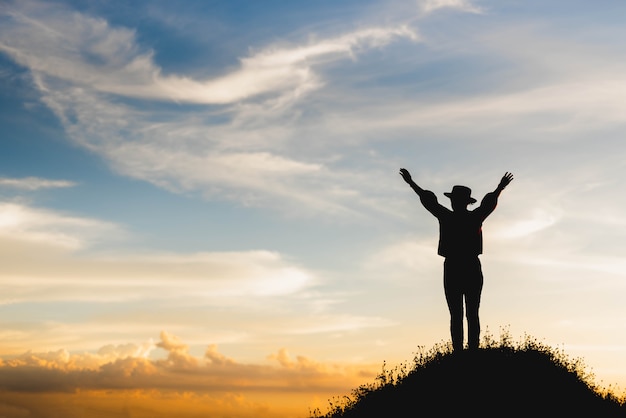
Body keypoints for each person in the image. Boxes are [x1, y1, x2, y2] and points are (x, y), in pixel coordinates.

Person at [399, 168, 513, 351]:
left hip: (453, 267)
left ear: (455, 201)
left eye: (453, 200)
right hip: (470, 267)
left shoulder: (447, 217)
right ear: (467, 202)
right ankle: (471, 351)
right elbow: (488, 203)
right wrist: (500, 187)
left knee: (457, 314)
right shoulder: (474, 217)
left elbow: (429, 201)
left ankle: (460, 353)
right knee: (471, 313)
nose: (453, 202)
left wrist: (411, 183)